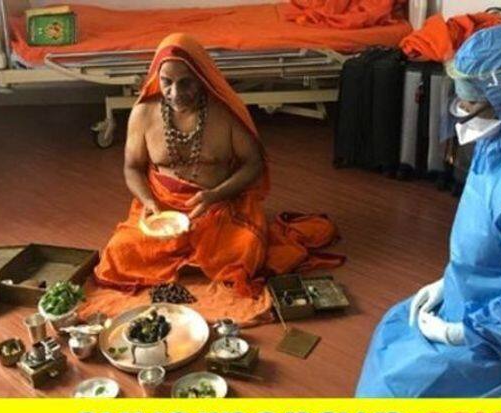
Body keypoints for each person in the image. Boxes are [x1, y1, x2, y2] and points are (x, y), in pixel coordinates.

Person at [356, 23, 501, 397]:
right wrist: (447, 284)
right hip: (479, 296)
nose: (462, 110)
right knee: (391, 330)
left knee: (395, 391)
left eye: (470, 101)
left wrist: (457, 332)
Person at [93, 33, 341, 301]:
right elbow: (132, 167)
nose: (175, 93)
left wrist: (215, 195)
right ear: (156, 78)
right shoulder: (143, 114)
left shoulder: (224, 114)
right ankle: (194, 262)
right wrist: (148, 202)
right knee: (119, 251)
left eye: (185, 83)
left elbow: (254, 163)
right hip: (163, 211)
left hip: (219, 208)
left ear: (202, 78)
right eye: (167, 82)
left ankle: (184, 261)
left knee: (246, 249)